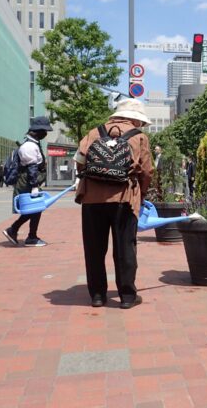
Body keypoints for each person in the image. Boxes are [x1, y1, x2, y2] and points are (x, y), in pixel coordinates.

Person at [74, 98, 153, 309]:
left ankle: (98, 295)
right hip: (124, 198)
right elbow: (146, 171)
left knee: (94, 248)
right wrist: (142, 194)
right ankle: (127, 296)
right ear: (135, 119)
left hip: (92, 198)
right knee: (125, 247)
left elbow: (79, 161)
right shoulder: (140, 138)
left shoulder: (93, 132)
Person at [2, 116, 53, 247]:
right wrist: (34, 185)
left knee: (35, 208)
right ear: (38, 131)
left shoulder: (33, 144)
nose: (45, 134)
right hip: (27, 181)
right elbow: (32, 168)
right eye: (44, 131)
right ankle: (25, 234)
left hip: (29, 180)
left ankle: (23, 233)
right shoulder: (29, 146)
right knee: (34, 208)